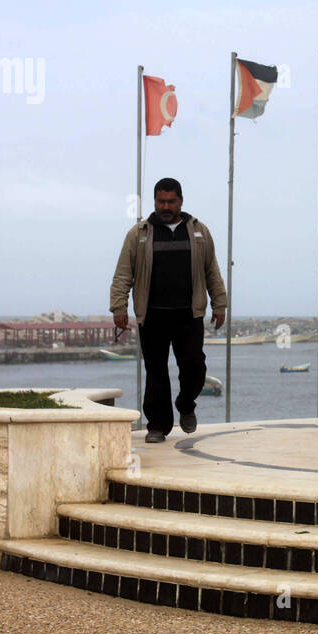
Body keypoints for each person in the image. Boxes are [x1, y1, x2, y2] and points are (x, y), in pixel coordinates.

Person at [110, 177, 226, 442]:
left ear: (180, 201)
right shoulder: (139, 234)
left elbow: (212, 271)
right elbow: (123, 274)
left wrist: (220, 303)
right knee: (156, 372)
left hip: (189, 315)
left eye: (170, 201)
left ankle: (186, 404)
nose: (165, 206)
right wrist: (119, 306)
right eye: (161, 201)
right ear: (155, 201)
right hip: (152, 316)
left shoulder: (198, 231)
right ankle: (157, 426)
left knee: (195, 367)